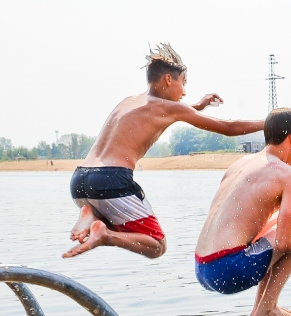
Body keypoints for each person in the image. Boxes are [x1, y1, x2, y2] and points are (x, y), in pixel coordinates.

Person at [66, 44, 264, 259]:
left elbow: (167, 113)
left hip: (80, 180)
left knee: (112, 212)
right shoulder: (169, 109)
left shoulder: (128, 102)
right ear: (168, 79)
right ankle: (104, 234)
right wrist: (269, 122)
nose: (184, 92)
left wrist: (197, 106)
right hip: (110, 180)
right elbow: (229, 127)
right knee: (156, 246)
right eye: (183, 83)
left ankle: (90, 213)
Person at [194, 109, 291, 316]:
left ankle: (266, 307)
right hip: (228, 269)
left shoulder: (240, 164)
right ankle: (266, 308)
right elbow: (285, 241)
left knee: (282, 222)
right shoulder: (290, 176)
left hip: (202, 268)